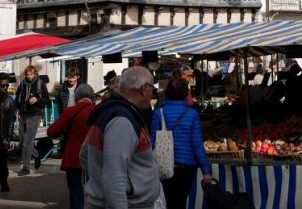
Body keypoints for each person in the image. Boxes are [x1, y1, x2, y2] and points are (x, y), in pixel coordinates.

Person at [80, 66, 163, 209]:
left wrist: (99, 182)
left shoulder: (108, 112)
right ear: (144, 89)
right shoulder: (122, 120)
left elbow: (84, 155)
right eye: (152, 90)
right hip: (128, 204)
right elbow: (114, 176)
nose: (152, 95)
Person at [150, 78, 213, 209]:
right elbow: (197, 144)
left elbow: (152, 142)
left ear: (167, 93)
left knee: (167, 200)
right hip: (186, 167)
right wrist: (205, 170)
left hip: (164, 165)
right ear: (186, 92)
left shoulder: (158, 113)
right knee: (181, 200)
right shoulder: (192, 114)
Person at [47, 83, 95, 209]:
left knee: (76, 193)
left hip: (74, 158)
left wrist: (64, 134)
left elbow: (51, 131)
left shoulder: (70, 111)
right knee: (96, 193)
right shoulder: (98, 111)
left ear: (76, 97)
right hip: (95, 158)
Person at [16, 65, 51, 176]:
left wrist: (37, 99)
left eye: (31, 74)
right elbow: (17, 97)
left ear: (35, 74)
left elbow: (47, 101)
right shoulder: (22, 84)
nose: (29, 76)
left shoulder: (41, 84)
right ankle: (37, 155)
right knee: (22, 142)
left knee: (27, 141)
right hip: (23, 114)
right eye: (27, 74)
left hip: (34, 115)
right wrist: (16, 108)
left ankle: (25, 168)